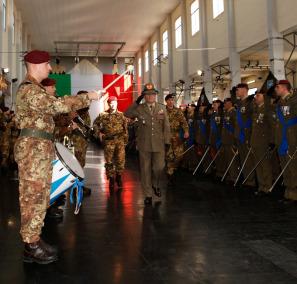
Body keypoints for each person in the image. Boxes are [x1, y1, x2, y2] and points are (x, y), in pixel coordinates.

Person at [14, 50, 104, 264]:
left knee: (41, 195)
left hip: (39, 149)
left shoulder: (36, 90)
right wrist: (88, 97)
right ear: (35, 65)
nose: (50, 68)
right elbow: (56, 105)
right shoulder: (29, 90)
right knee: (33, 197)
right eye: (47, 64)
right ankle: (31, 245)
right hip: (33, 151)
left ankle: (33, 240)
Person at [124, 83, 171, 205]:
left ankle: (155, 185)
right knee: (145, 170)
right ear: (144, 96)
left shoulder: (162, 108)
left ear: (155, 95)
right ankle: (148, 194)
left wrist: (167, 142)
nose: (150, 97)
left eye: (152, 94)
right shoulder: (139, 108)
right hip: (144, 144)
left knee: (159, 168)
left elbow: (166, 126)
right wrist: (136, 101)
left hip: (159, 144)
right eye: (147, 95)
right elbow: (127, 113)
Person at [93, 96, 128, 191]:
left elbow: (125, 128)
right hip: (108, 141)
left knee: (120, 161)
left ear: (117, 103)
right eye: (111, 103)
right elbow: (95, 124)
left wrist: (125, 141)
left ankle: (119, 176)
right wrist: (98, 133)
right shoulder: (103, 115)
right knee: (109, 162)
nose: (113, 105)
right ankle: (111, 179)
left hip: (120, 141)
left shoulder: (121, 115)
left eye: (114, 103)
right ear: (108, 104)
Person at [274, 80, 297, 203]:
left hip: (291, 139)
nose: (276, 90)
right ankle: (288, 192)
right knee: (285, 166)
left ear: (284, 88)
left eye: (277, 87)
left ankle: (294, 194)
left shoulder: (294, 101)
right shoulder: (279, 103)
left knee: (293, 167)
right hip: (281, 139)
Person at [250, 91, 274, 195]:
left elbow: (272, 126)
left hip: (263, 142)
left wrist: (271, 141)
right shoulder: (256, 109)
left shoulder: (268, 109)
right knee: (258, 165)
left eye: (258, 95)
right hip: (255, 141)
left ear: (265, 97)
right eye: (255, 95)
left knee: (265, 165)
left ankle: (268, 186)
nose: (256, 97)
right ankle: (261, 186)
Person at [165, 94, 189, 186]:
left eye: (172, 100)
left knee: (180, 156)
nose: (171, 101)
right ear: (166, 101)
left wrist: (186, 131)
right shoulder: (162, 111)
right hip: (166, 136)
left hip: (176, 136)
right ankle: (170, 173)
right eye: (169, 100)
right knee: (169, 156)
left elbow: (184, 122)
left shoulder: (178, 111)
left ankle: (171, 168)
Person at [234, 83, 255, 187]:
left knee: (248, 158)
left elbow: (252, 119)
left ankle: (250, 181)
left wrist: (250, 134)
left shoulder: (250, 102)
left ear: (244, 90)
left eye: (238, 90)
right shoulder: (239, 103)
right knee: (242, 158)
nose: (236, 92)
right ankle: (246, 178)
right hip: (239, 134)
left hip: (246, 134)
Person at [221, 98, 239, 184]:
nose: (224, 105)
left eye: (226, 103)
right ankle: (230, 175)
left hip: (231, 140)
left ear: (230, 103)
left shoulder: (233, 112)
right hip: (225, 139)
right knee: (227, 159)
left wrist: (234, 140)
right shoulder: (226, 112)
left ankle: (234, 177)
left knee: (232, 160)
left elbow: (236, 126)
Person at [208, 100, 224, 178]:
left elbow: (221, 127)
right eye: (213, 104)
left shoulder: (222, 114)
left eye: (215, 104)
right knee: (214, 155)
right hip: (213, 138)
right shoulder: (213, 114)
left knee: (220, 156)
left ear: (219, 105)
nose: (213, 106)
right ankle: (218, 170)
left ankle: (221, 172)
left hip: (219, 138)